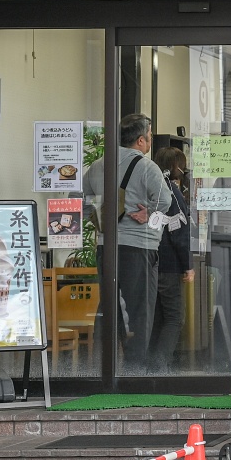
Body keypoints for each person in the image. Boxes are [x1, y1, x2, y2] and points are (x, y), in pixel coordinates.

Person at [82, 114, 172, 366]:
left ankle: (108, 364)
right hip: (139, 247)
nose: (151, 141)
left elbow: (79, 198)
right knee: (140, 309)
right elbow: (165, 201)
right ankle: (135, 367)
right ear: (141, 140)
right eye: (150, 136)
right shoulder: (146, 167)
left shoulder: (99, 165)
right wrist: (150, 213)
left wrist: (99, 219)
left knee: (110, 305)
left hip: (106, 247)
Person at [149, 146, 195, 372]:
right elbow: (180, 232)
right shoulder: (171, 192)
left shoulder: (152, 189)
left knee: (157, 317)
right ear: (177, 166)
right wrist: (187, 265)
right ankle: (160, 366)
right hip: (169, 264)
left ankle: (148, 367)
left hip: (151, 262)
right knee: (175, 318)